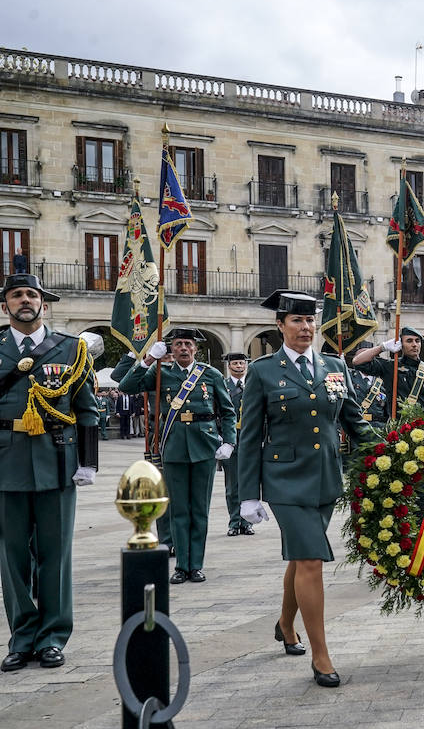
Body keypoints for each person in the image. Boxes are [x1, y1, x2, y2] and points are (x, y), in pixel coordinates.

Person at [237, 290, 375, 687]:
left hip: (326, 478)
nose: (306, 327)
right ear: (280, 325)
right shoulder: (263, 371)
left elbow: (354, 422)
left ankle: (285, 622)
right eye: (297, 320)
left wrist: (395, 451)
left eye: (310, 320)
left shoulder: (334, 366)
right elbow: (249, 436)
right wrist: (247, 495)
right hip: (284, 481)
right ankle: (321, 655)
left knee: (300, 559)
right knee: (312, 559)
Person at [0, 273, 99, 672]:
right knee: (12, 556)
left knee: (56, 554)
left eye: (31, 294)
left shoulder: (71, 348)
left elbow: (87, 408)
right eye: (16, 295)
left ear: (43, 302)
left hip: (56, 459)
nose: (25, 300)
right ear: (5, 305)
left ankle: (53, 637)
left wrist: (89, 461)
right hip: (6, 461)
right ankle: (22, 637)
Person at [119, 328, 236, 584]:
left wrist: (229, 442)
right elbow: (126, 386)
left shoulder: (210, 374)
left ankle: (196, 565)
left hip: (204, 447)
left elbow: (228, 411)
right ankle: (182, 566)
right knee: (179, 511)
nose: (183, 348)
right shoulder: (160, 373)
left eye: (188, 344)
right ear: (171, 349)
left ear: (196, 349)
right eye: (178, 344)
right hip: (173, 448)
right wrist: (149, 359)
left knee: (200, 511)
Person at [349, 326, 424, 415]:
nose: (414, 345)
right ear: (401, 344)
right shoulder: (391, 366)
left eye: (417, 341)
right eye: (409, 341)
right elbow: (357, 362)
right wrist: (382, 347)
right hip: (399, 425)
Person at [223, 352, 252, 536]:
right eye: (235, 363)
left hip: (249, 439)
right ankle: (234, 522)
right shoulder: (223, 386)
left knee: (248, 483)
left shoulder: (252, 385)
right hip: (230, 439)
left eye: (242, 363)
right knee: (232, 485)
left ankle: (247, 522)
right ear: (229, 366)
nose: (239, 366)